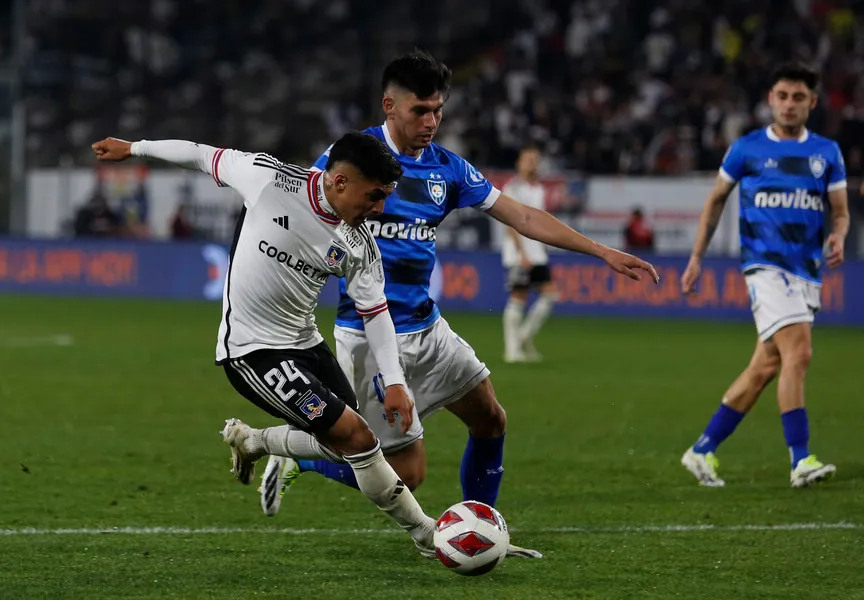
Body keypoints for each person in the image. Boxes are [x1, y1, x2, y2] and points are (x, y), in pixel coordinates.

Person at [259, 50, 658, 547]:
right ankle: (299, 455)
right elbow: (298, 216)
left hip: (428, 327)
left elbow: (522, 216)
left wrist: (600, 251)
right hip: (371, 339)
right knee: (407, 473)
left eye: (438, 110)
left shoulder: (447, 169)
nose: (431, 122)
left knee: (490, 417)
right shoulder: (349, 160)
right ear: (389, 106)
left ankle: (482, 531)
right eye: (419, 111)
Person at [90, 132, 437, 557]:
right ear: (340, 182)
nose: (379, 208)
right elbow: (201, 156)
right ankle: (427, 535)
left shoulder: (359, 244)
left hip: (305, 343)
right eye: (375, 195)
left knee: (344, 444)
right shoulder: (269, 179)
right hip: (252, 350)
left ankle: (253, 442)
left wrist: (396, 381)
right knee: (358, 438)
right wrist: (136, 148)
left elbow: (375, 312)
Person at [679, 62, 849, 488]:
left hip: (806, 272)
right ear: (771, 99)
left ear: (812, 102)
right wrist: (697, 256)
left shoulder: (826, 153)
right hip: (765, 268)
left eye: (798, 97)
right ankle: (801, 459)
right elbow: (716, 201)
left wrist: (840, 236)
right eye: (781, 96)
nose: (789, 105)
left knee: (765, 366)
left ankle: (702, 450)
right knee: (800, 354)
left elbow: (840, 212)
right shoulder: (747, 149)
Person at [501, 144, 557, 363]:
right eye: (528, 159)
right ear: (519, 163)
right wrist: (520, 251)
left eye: (535, 159)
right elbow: (509, 222)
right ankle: (511, 349)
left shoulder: (539, 189)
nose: (532, 163)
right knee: (519, 297)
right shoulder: (513, 188)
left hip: (536, 251)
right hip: (518, 253)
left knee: (550, 294)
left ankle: (524, 336)